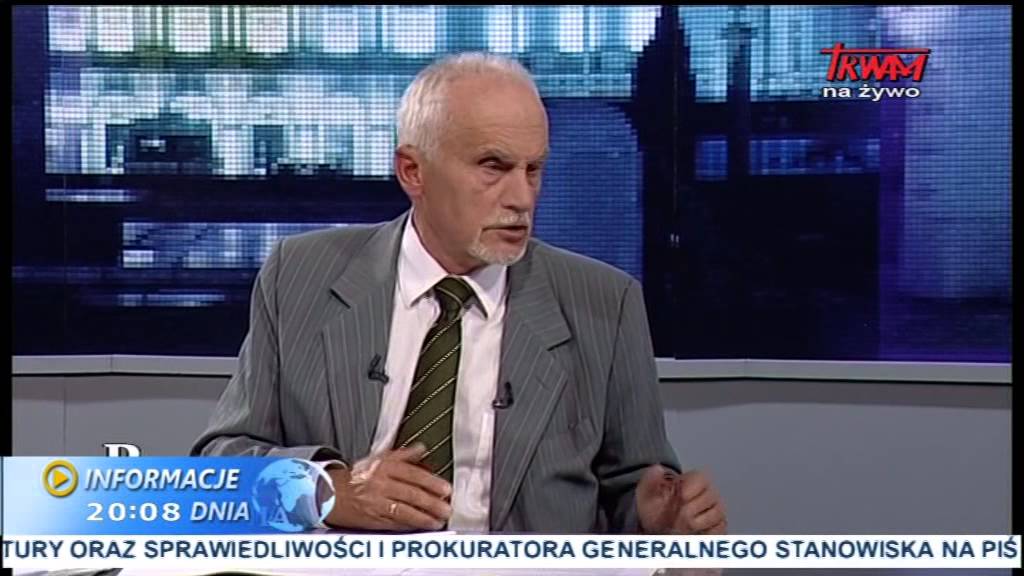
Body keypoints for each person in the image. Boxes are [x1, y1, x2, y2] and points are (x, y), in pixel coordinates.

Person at [192, 52, 726, 535]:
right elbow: (218, 469)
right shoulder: (301, 276)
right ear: (412, 171)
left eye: (534, 169)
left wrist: (661, 525)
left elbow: (635, 495)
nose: (522, 198)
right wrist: (328, 491)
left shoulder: (605, 305)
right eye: (493, 167)